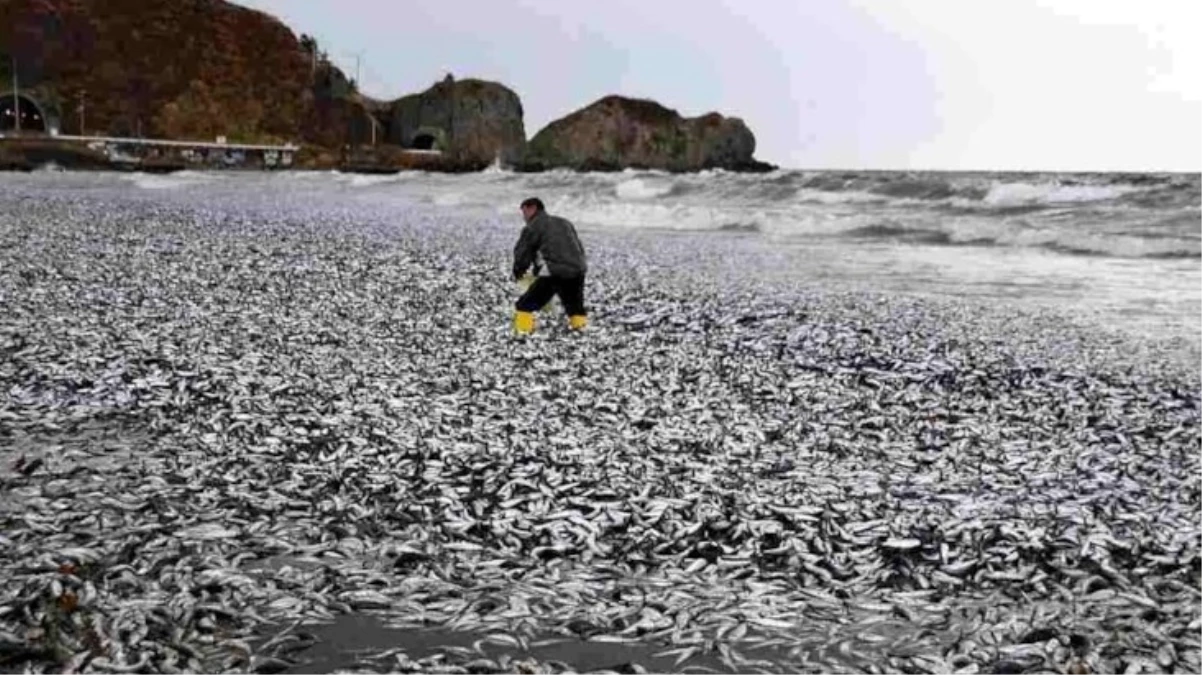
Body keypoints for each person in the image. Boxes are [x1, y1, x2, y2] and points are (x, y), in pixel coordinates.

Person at [512, 197, 588, 335]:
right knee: (575, 306)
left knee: (524, 305)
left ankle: (522, 332)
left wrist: (518, 271)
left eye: (524, 212)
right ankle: (581, 329)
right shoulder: (564, 222)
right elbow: (578, 247)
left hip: (555, 271)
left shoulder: (533, 226)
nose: (524, 217)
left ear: (532, 208)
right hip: (578, 269)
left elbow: (523, 252)